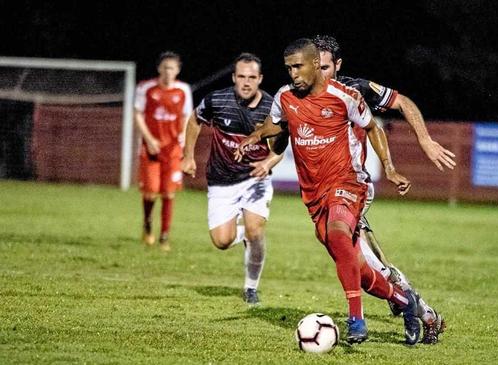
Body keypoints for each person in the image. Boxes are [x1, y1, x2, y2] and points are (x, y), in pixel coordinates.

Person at [236, 38, 421, 345]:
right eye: (288, 68)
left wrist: (388, 167)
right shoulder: (285, 96)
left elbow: (373, 128)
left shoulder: (344, 96)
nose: (293, 74)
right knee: (357, 270)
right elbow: (275, 125)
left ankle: (356, 321)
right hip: (314, 194)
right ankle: (405, 302)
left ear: (314, 64)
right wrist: (254, 136)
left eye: (298, 66)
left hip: (348, 183)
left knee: (338, 232)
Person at [311, 34, 454, 344]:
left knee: (356, 262)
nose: (318, 73)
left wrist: (423, 141)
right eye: (313, 66)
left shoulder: (355, 90)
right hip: (323, 192)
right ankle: (421, 310)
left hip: (352, 186)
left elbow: (402, 102)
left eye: (324, 67)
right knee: (363, 269)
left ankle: (398, 309)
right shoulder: (299, 94)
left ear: (337, 65)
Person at [181, 53, 280, 305]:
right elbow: (194, 119)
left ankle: (250, 288)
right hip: (221, 180)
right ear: (234, 78)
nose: (246, 82)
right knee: (222, 241)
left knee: (256, 229)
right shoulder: (217, 100)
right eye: (242, 77)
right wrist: (187, 156)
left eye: (252, 77)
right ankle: (244, 235)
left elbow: (281, 146)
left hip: (254, 179)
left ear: (260, 79)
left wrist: (268, 162)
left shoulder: (272, 109)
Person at [135, 51, 193, 252]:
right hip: (151, 148)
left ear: (177, 70)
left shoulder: (183, 90)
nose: (169, 72)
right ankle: (147, 223)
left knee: (169, 193)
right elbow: (138, 114)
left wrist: (183, 140)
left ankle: (164, 236)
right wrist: (149, 139)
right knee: (151, 193)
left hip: (172, 150)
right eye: (165, 67)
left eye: (172, 68)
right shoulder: (146, 88)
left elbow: (186, 117)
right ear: (159, 68)